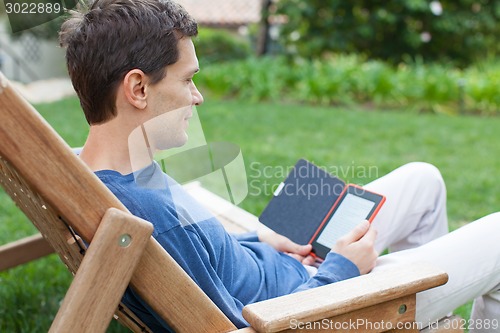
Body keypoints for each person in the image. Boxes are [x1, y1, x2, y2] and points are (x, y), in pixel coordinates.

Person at [59, 0, 500, 332]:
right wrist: (342, 269)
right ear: (137, 88)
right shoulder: (143, 215)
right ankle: (411, 311)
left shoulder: (106, 171)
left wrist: (264, 238)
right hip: (318, 306)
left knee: (424, 179)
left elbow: (209, 259)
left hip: (295, 271)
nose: (198, 96)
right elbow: (245, 326)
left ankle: (424, 315)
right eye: (188, 79)